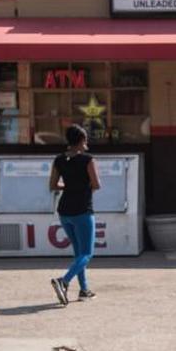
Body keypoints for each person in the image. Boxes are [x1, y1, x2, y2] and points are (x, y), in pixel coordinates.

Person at [49, 125, 101, 305]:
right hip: (83, 210)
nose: (87, 142)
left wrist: (69, 186)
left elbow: (53, 185)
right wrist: (82, 187)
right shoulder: (88, 159)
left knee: (79, 253)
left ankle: (84, 290)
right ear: (81, 140)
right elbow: (96, 184)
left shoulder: (59, 160)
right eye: (85, 139)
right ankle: (64, 281)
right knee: (87, 253)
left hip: (64, 212)